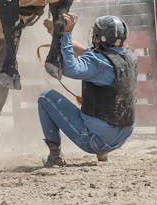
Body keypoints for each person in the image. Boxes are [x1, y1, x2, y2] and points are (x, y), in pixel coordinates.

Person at [37, 14, 137, 166]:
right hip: (122, 136)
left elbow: (71, 69)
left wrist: (67, 34)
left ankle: (55, 156)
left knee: (46, 97)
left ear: (99, 38)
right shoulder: (128, 57)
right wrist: (58, 33)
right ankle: (103, 151)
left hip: (96, 141)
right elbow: (85, 53)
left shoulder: (97, 63)